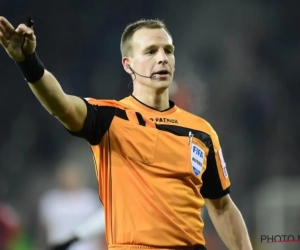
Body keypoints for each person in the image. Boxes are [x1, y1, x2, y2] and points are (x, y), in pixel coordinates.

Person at [0, 16, 253, 250]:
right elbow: (61, 105)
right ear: (128, 64)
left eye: (168, 50)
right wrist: (28, 62)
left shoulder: (202, 131)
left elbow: (221, 207)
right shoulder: (110, 118)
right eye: (151, 51)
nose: (163, 58)